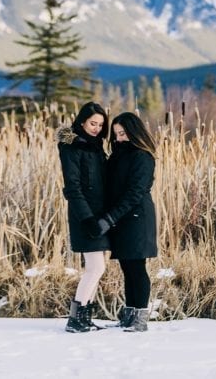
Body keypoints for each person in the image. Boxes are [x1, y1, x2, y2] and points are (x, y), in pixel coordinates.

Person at [89, 111, 158, 333]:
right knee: (127, 267)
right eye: (116, 134)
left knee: (137, 267)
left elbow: (135, 193)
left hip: (137, 218)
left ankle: (141, 318)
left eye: (123, 133)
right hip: (121, 218)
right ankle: (129, 315)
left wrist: (110, 218)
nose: (119, 138)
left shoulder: (142, 156)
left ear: (134, 132)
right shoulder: (117, 156)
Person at [57, 101, 110, 333]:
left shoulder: (96, 146)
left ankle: (84, 317)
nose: (97, 128)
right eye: (92, 123)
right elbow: (73, 187)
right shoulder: (71, 145)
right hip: (84, 215)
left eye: (100, 124)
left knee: (97, 267)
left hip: (98, 214)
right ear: (81, 121)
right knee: (96, 267)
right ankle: (76, 319)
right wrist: (87, 218)